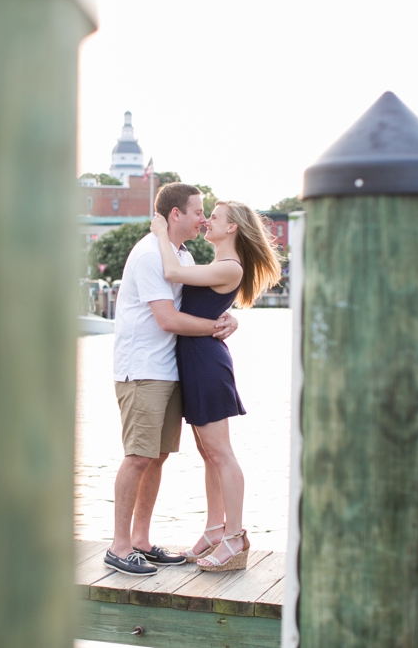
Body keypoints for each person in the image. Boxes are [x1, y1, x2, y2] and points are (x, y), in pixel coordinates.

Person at [104, 183, 239, 577]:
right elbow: (167, 319)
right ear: (175, 214)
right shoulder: (149, 253)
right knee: (138, 456)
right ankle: (119, 545)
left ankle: (142, 541)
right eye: (198, 211)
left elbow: (209, 294)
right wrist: (216, 326)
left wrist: (230, 317)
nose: (203, 218)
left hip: (169, 369)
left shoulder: (180, 253)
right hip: (142, 369)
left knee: (158, 457)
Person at [149, 200, 281, 571]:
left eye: (215, 217)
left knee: (220, 452)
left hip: (206, 362)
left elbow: (172, 271)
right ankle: (214, 528)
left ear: (232, 228)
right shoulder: (218, 265)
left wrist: (161, 232)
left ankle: (235, 536)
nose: (207, 221)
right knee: (209, 452)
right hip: (195, 359)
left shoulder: (228, 266)